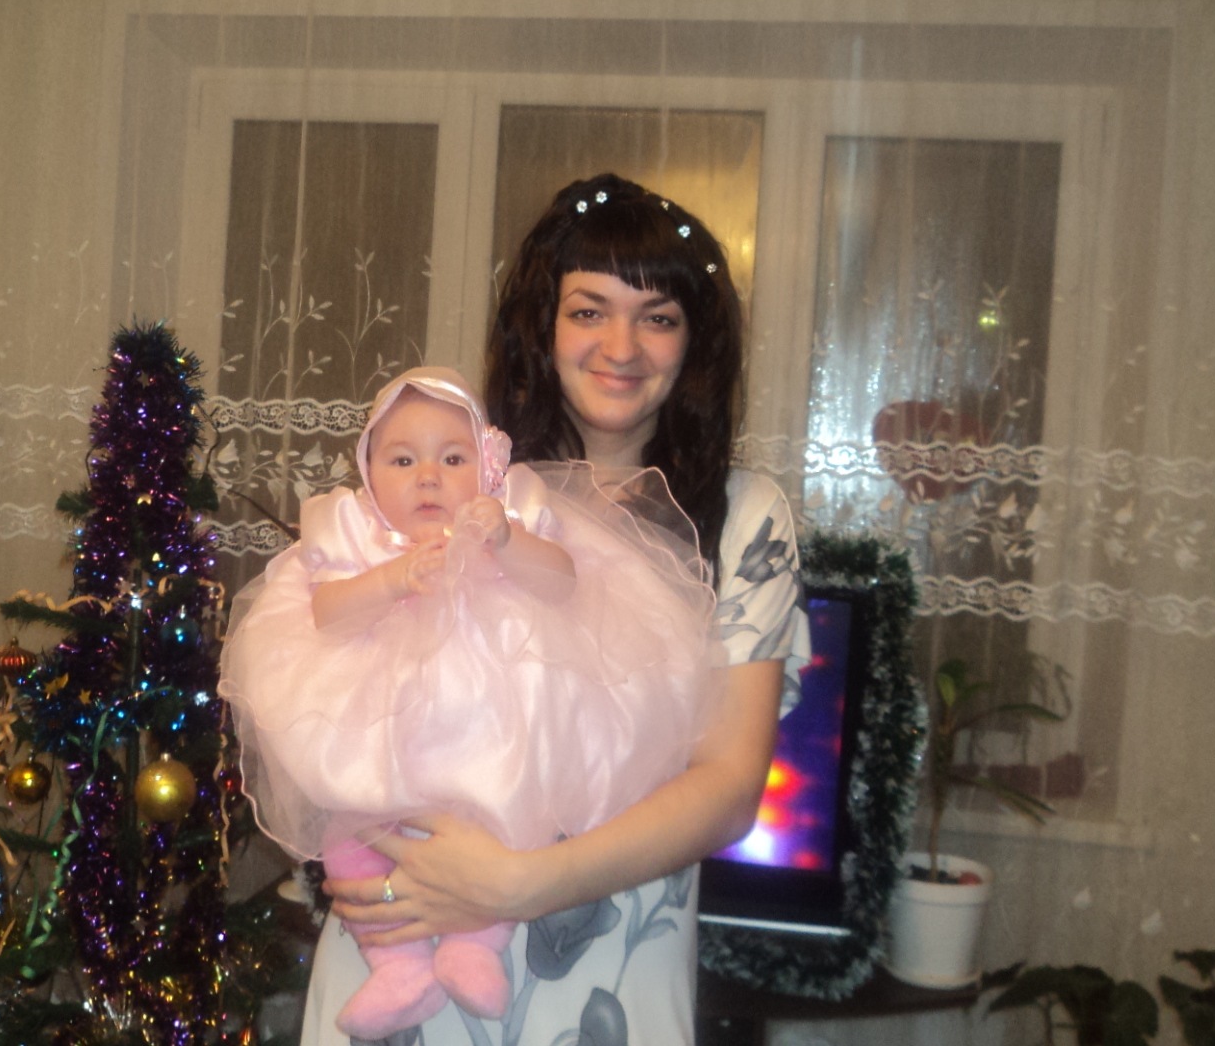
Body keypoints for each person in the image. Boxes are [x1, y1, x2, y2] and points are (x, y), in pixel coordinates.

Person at [307, 174, 810, 1045]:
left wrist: (516, 884)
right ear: (542, 325)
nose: (622, 345)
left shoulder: (743, 517)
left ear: (695, 341)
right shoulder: (454, 480)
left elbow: (730, 790)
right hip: (403, 932)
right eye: (588, 311)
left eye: (658, 317)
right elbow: (327, 675)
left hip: (607, 969)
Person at [220, 366, 723, 1040]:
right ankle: (398, 968)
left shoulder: (511, 513)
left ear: (486, 467)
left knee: (511, 814)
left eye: (452, 459)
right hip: (379, 740)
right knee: (350, 835)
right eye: (403, 461)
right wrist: (392, 579)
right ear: (369, 471)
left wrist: (508, 542)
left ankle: (475, 948)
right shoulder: (355, 534)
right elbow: (327, 613)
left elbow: (563, 582)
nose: (428, 478)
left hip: (484, 738)